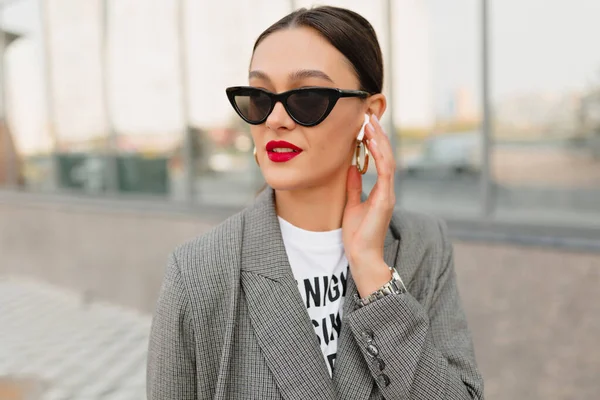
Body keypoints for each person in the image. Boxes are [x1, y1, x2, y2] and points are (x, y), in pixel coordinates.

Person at [147, 6, 483, 399]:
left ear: (369, 114)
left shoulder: (422, 245)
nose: (275, 119)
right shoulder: (199, 271)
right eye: (258, 97)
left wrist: (374, 275)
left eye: (306, 97)